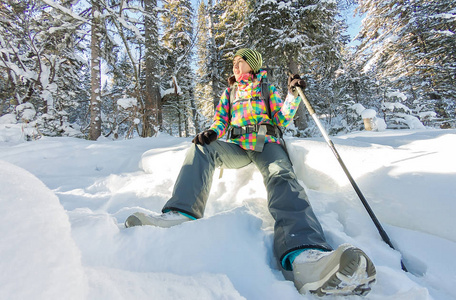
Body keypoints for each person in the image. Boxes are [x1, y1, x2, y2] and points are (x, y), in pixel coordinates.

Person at [125, 49, 376, 296]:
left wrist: (292, 95)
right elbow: (221, 120)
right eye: (233, 62)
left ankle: (305, 254)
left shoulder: (266, 88)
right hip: (239, 147)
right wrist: (213, 133)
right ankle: (180, 213)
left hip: (266, 144)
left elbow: (282, 119)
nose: (235, 66)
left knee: (281, 176)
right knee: (200, 149)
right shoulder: (230, 91)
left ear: (253, 64)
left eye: (240, 61)